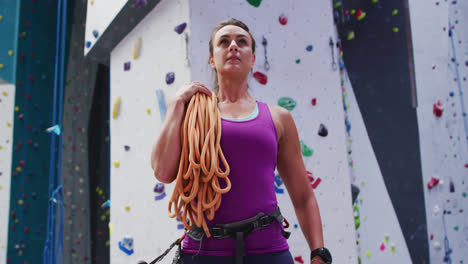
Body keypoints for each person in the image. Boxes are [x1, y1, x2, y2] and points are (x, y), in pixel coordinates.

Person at [151, 18, 331, 264]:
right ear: (212, 60)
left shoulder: (279, 118)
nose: (233, 46)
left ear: (253, 58)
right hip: (203, 253)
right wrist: (175, 104)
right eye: (224, 42)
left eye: (242, 42)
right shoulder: (192, 113)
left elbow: (303, 196)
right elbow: (163, 172)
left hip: (268, 251)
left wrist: (318, 252)